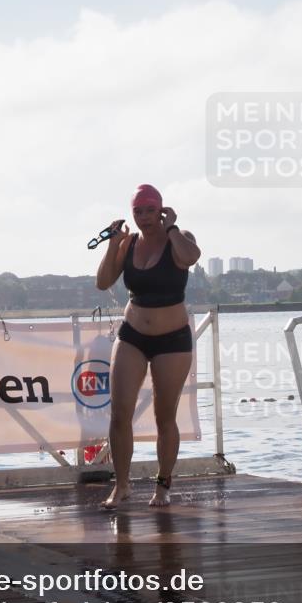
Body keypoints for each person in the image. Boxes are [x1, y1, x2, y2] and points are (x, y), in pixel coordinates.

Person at [95, 184, 201, 508]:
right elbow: (103, 281)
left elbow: (191, 258)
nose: (143, 218)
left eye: (149, 211)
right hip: (133, 335)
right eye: (138, 211)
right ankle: (122, 485)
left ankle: (163, 485)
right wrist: (113, 245)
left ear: (161, 210)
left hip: (173, 340)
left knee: (164, 416)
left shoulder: (179, 237)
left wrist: (171, 228)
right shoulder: (128, 243)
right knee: (119, 412)